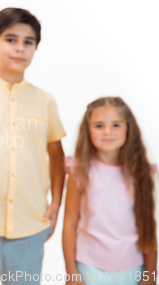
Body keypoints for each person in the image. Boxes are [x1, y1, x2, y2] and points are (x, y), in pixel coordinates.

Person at [0, 7, 66, 284]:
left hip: (29, 224)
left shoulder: (45, 101)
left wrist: (56, 203)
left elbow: (57, 156)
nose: (19, 48)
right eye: (11, 39)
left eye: (28, 42)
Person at [63, 97, 157, 285]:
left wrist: (151, 274)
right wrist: (71, 272)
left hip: (132, 269)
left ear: (128, 128)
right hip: (89, 268)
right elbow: (70, 224)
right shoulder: (80, 172)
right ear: (87, 130)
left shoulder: (142, 174)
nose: (107, 132)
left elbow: (148, 225)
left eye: (116, 125)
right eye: (99, 126)